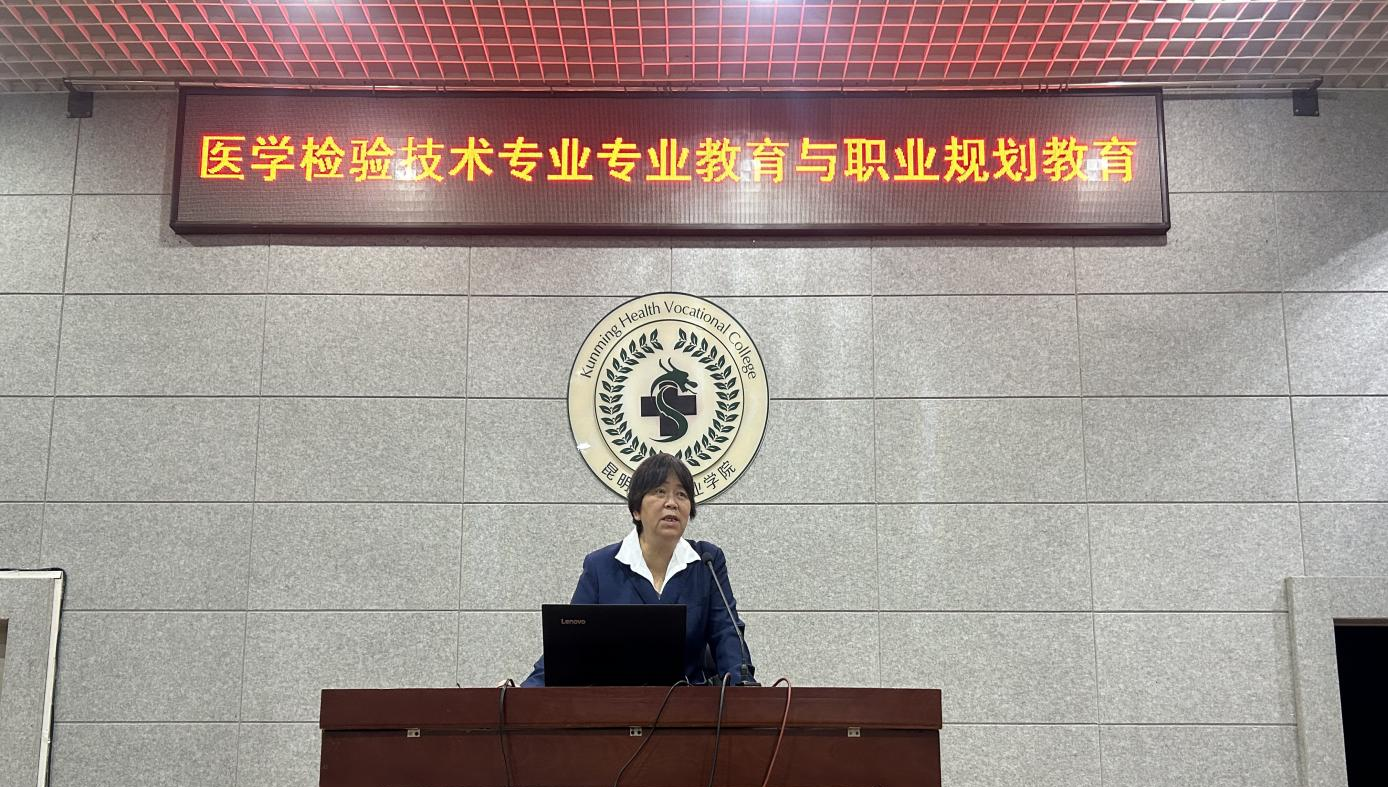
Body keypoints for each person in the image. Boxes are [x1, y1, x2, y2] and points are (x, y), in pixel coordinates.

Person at [521, 452, 753, 687]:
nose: (671, 503)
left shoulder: (706, 562)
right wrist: (522, 692)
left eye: (681, 494)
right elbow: (568, 644)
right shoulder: (601, 566)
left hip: (688, 703)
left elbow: (727, 634)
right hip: (614, 704)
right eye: (660, 492)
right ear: (636, 510)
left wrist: (744, 687)